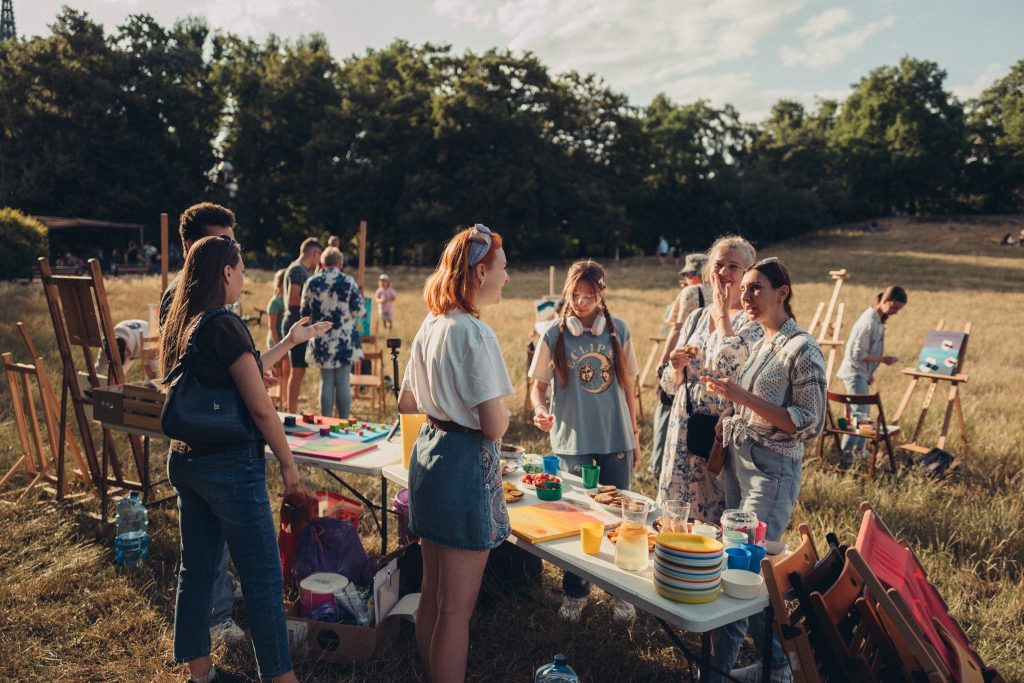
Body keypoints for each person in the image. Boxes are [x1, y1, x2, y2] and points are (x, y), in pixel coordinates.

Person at [161, 235, 330, 683]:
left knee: (195, 569)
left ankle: (201, 672)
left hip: (187, 461)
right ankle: (281, 677)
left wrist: (289, 342)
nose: (245, 279)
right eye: (241, 269)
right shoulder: (225, 323)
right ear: (226, 273)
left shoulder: (185, 321)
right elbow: (260, 407)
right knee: (261, 578)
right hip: (231, 467)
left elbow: (238, 373)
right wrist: (290, 466)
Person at [397, 223, 513, 683]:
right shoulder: (475, 334)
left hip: (429, 454)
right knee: (456, 613)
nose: (507, 276)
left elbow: (407, 402)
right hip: (464, 464)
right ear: (481, 272)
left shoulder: (431, 323)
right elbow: (494, 424)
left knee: (432, 594)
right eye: (502, 268)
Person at [704, 257, 827, 683]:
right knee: (751, 572)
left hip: (772, 473)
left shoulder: (802, 347)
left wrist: (743, 397)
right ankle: (776, 667)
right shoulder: (761, 342)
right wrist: (730, 412)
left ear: (782, 292)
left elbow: (808, 422)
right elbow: (753, 401)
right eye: (745, 290)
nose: (746, 297)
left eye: (755, 288)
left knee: (738, 569)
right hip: (740, 465)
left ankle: (715, 673)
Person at [529, 259, 641, 624]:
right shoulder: (554, 334)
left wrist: (635, 435)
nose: (580, 302)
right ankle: (576, 592)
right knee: (578, 518)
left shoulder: (618, 330)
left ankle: (621, 592)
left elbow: (629, 387)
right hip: (573, 442)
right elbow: (537, 386)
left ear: (601, 294)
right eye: (575, 295)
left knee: (619, 518)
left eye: (588, 295)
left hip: (615, 438)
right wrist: (539, 409)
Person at [158, 202, 246, 644]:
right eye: (223, 241)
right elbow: (197, 370)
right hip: (208, 435)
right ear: (195, 246)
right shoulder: (186, 295)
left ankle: (220, 596)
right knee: (205, 543)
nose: (232, 251)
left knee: (209, 540)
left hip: (208, 429)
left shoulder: (203, 291)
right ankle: (217, 615)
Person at [656, 238, 761, 523]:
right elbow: (669, 384)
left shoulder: (754, 322)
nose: (724, 272)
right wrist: (676, 367)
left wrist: (724, 311)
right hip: (684, 421)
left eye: (733, 266)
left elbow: (731, 364)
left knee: (712, 511)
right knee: (675, 509)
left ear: (747, 275)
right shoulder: (696, 318)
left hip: (720, 428)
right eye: (719, 264)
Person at [649, 252, 712, 479]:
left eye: (687, 274)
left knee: (666, 410)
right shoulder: (728, 294)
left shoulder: (690, 292)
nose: (685, 279)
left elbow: (677, 329)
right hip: (707, 368)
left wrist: (664, 362)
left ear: (695, 275)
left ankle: (657, 466)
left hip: (684, 361)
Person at [835, 286, 907, 463]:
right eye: (893, 308)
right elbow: (857, 354)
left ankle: (859, 450)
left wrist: (868, 373)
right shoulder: (869, 321)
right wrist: (883, 359)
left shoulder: (878, 320)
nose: (895, 312)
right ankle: (848, 454)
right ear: (884, 301)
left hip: (861, 372)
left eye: (898, 310)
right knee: (859, 415)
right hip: (854, 372)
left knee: (862, 414)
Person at [300, 247, 363, 419]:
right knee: (343, 381)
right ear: (340, 263)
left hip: (321, 336)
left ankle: (326, 421)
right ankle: (343, 423)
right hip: (344, 337)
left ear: (322, 262)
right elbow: (359, 311)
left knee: (326, 381)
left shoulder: (312, 281)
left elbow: (304, 311)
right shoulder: (348, 281)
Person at [282, 238, 323, 413]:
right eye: (319, 255)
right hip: (295, 324)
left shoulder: (296, 268)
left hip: (296, 324)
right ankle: (291, 412)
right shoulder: (298, 270)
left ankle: (291, 410)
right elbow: (293, 298)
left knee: (298, 371)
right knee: (297, 371)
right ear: (314, 253)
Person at [94, 320, 159, 381]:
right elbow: (99, 369)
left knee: (155, 373)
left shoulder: (146, 339)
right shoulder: (107, 343)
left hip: (148, 335)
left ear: (127, 349)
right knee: (113, 375)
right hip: (132, 337)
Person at [266, 269, 290, 395]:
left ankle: (284, 400)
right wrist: (278, 347)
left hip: (285, 343)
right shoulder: (275, 302)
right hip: (276, 343)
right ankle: (274, 402)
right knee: (276, 373)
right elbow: (272, 327)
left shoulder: (287, 301)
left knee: (286, 373)